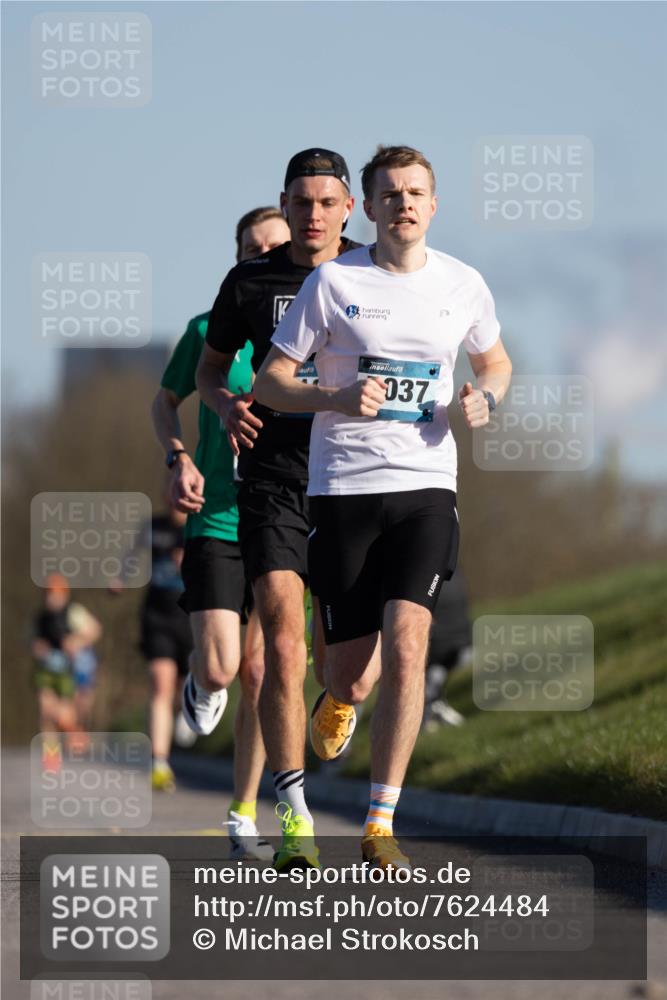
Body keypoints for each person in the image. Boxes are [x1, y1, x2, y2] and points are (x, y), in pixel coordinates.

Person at [254, 144, 512, 871]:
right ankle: (339, 697)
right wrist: (333, 396)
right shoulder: (334, 281)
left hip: (426, 485)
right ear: (367, 208)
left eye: (415, 193)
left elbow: (495, 362)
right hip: (344, 490)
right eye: (390, 194)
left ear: (433, 205)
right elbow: (271, 382)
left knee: (408, 642)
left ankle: (379, 821)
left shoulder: (463, 283)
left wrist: (486, 398)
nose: (404, 204)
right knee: (351, 675)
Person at [196, 149, 362, 871]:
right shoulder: (249, 281)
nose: (313, 215)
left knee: (348, 667)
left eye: (327, 202)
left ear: (348, 208)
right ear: (285, 204)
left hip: (353, 476)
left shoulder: (372, 272)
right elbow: (209, 367)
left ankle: (341, 695)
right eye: (301, 202)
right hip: (271, 477)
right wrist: (223, 403)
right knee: (281, 645)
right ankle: (294, 815)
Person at [152, 206, 289, 858]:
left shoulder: (319, 329)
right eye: (252, 250)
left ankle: (243, 811)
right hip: (217, 514)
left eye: (274, 247)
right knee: (222, 667)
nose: (264, 257)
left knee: (262, 672)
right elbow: (164, 401)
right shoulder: (208, 330)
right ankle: (200, 681)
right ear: (238, 261)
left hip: (284, 516)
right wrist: (177, 458)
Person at [110, 500, 193, 792]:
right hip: (156, 616)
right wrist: (120, 577)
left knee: (188, 683)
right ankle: (159, 763)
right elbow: (133, 553)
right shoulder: (153, 526)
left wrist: (190, 562)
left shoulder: (200, 526)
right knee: (160, 684)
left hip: (190, 617)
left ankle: (188, 710)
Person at [31, 574, 102, 767]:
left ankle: (75, 731)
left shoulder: (73, 612)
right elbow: (31, 639)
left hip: (69, 670)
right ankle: (51, 755)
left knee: (63, 713)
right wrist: (38, 646)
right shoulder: (41, 617)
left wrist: (76, 641)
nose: (51, 598)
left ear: (64, 594)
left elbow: (95, 630)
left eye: (55, 594)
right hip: (46, 669)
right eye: (48, 594)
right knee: (45, 709)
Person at [422, 564, 472, 731]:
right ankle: (432, 701)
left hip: (438, 643)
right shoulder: (449, 562)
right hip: (461, 641)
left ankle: (429, 702)